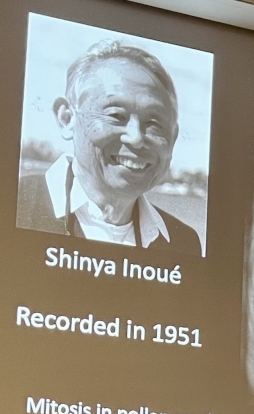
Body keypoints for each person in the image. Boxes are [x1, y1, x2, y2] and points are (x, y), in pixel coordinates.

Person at [17, 40, 200, 254]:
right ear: (67, 119)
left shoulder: (184, 244)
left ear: (173, 138)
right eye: (116, 115)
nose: (135, 138)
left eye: (154, 123)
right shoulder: (10, 205)